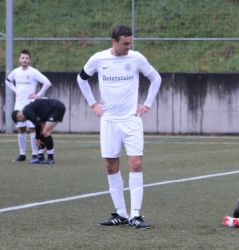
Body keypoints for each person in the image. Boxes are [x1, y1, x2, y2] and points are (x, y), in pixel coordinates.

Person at [77, 25, 161, 229]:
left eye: (130, 43)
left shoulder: (136, 58)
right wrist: (93, 103)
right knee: (111, 166)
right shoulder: (98, 59)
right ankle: (121, 214)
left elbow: (156, 78)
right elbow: (81, 78)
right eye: (125, 43)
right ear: (114, 42)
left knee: (136, 164)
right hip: (109, 121)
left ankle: (135, 215)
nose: (128, 47)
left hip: (131, 120)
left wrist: (147, 103)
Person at [5, 49, 52, 163]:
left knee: (32, 129)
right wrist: (15, 90)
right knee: (21, 129)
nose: (24, 60)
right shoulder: (15, 72)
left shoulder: (33, 72)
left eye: (26, 58)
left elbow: (47, 83)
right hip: (19, 104)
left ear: (29, 60)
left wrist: (38, 95)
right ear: (19, 59)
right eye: (23, 58)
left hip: (31, 106)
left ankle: (35, 154)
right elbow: (7, 81)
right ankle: (22, 154)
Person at [11, 98, 66, 164]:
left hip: (56, 108)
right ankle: (40, 157)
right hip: (48, 113)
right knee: (41, 132)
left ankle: (50, 158)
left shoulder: (26, 112)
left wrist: (37, 138)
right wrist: (39, 137)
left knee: (45, 132)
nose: (22, 122)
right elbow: (38, 125)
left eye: (20, 121)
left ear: (19, 116)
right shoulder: (27, 113)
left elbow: (37, 125)